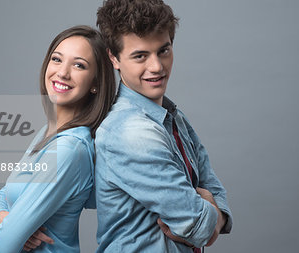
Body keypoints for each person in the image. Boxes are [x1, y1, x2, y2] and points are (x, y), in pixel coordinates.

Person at [94, 0, 233, 252]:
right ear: (114, 58)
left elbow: (213, 189)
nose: (156, 66)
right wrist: (211, 214)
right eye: (140, 56)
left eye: (163, 50)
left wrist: (214, 212)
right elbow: (200, 225)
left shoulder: (172, 116)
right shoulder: (129, 133)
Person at [0, 25, 116, 253]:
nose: (63, 73)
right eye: (57, 59)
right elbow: (2, 194)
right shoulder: (49, 132)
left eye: (79, 65)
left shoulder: (69, 149)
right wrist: (3, 220)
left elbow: (4, 244)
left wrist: (12, 230)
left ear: (96, 83)